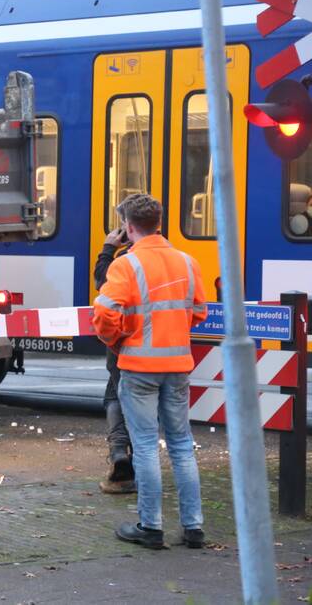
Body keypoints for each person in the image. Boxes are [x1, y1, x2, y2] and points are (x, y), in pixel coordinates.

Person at [93, 193, 208, 550]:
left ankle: (151, 527)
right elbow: (199, 311)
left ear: (128, 228)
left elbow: (104, 314)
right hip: (177, 366)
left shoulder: (125, 265)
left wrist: (117, 340)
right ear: (158, 223)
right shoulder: (188, 262)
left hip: (139, 367)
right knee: (181, 446)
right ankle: (193, 527)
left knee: (144, 446)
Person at [93, 206, 136, 495]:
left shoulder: (124, 262)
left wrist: (108, 249)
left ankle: (120, 454)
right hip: (170, 353)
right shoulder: (180, 261)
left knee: (116, 396)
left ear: (128, 229)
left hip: (127, 347)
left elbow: (102, 286)